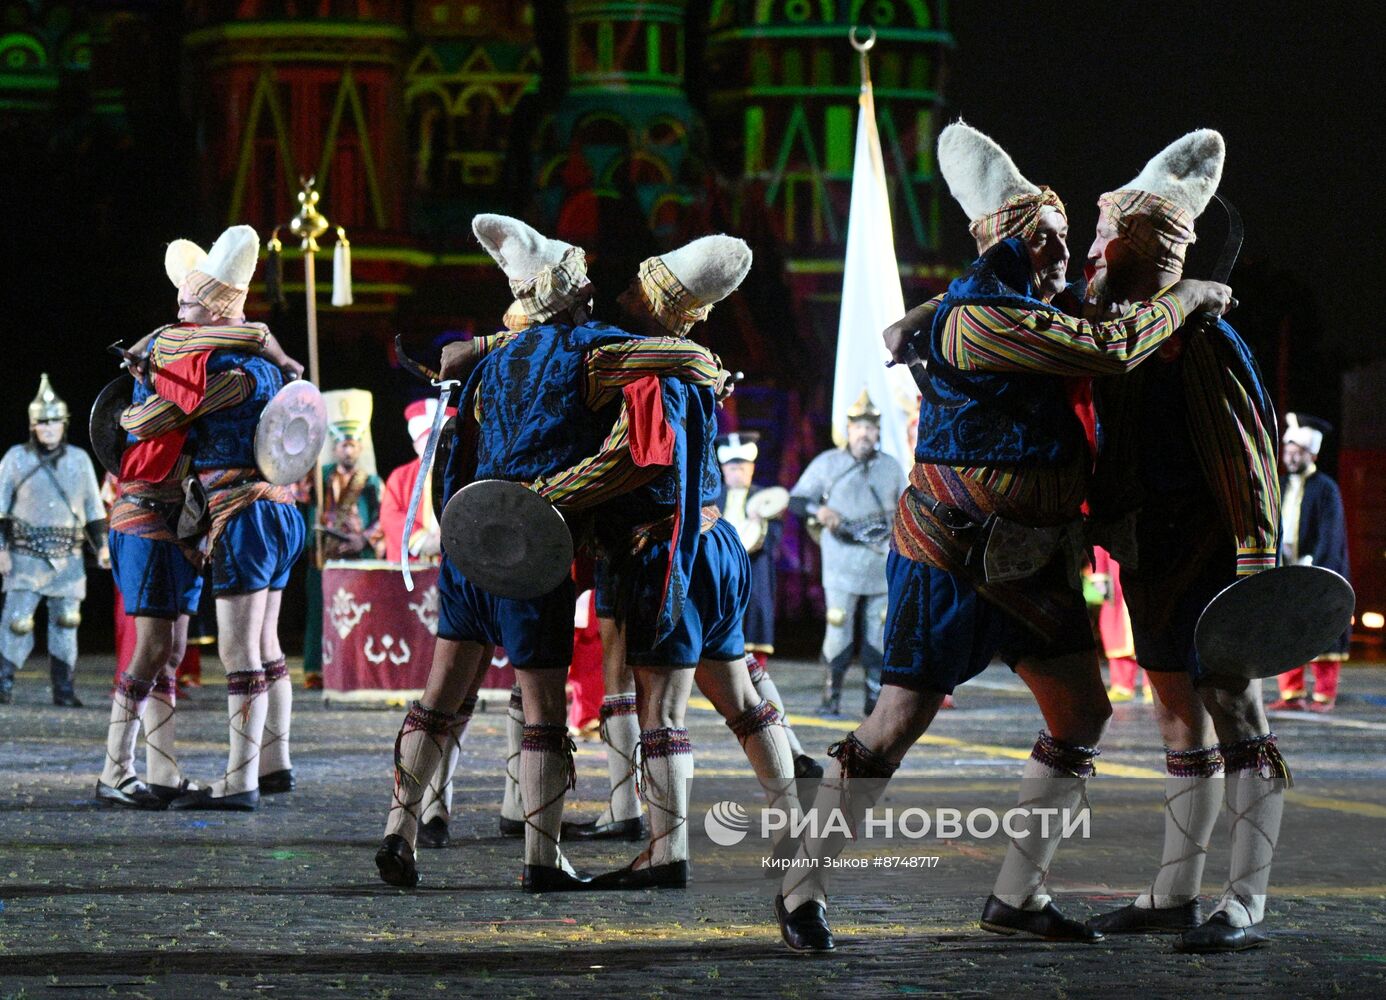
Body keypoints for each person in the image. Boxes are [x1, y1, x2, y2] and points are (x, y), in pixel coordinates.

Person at [776, 122, 1235, 953]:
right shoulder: (986, 315)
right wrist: (1189, 294)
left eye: (1068, 240)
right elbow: (1109, 346)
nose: (1067, 259)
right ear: (1010, 245)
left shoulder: (1013, 299)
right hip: (951, 556)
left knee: (1083, 711)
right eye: (1051, 243)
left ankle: (1018, 896)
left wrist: (916, 312)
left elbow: (1075, 314)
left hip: (1031, 560)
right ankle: (801, 887)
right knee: (895, 720)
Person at [375, 215, 731, 891]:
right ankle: (542, 857)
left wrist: (481, 340)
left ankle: (400, 827)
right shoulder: (594, 350)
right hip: (533, 546)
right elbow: (693, 361)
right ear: (572, 292)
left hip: (471, 536)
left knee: (437, 697)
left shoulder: (493, 360)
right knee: (541, 711)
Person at [1079, 131, 1289, 953]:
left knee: (1237, 713)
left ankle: (1246, 900)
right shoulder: (1124, 330)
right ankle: (1174, 893)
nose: (1092, 250)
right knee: (1175, 722)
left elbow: (1249, 461)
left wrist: (1254, 575)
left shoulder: (1203, 338)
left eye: (1106, 236)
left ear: (1140, 247)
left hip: (1210, 558)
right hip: (1151, 555)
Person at [98, 230, 302, 809]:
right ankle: (139, 770)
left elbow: (142, 423)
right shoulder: (240, 359)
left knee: (212, 649)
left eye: (188, 303)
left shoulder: (207, 366)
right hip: (197, 513)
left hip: (225, 513)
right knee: (184, 646)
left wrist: (144, 403)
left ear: (213, 308)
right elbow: (255, 335)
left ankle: (226, 778)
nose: (178, 313)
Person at [788, 392, 906, 718]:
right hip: (841, 560)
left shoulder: (891, 467)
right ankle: (831, 698)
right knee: (838, 626)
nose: (865, 433)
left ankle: (873, 701)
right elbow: (797, 500)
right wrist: (820, 510)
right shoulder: (829, 464)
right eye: (859, 427)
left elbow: (905, 508)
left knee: (878, 631)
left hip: (879, 559)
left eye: (871, 427)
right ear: (849, 430)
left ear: (878, 431)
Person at [716, 432, 820, 782]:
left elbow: (763, 545)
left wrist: (755, 523)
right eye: (732, 466)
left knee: (750, 690)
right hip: (715, 599)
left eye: (743, 466)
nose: (737, 472)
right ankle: (794, 754)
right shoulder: (711, 498)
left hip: (744, 597)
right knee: (747, 694)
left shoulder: (765, 499)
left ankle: (792, 756)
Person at [0, 375, 108, 707]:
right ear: (33, 425)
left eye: (54, 422)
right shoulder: (15, 458)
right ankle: (3, 685)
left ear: (64, 424)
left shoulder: (79, 460)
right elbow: (1, 508)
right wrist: (1, 550)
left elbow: (93, 508)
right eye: (42, 423)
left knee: (67, 622)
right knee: (17, 622)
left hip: (68, 558)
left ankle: (64, 689)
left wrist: (102, 546)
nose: (48, 428)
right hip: (24, 555)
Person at [1269, 413, 1350, 712]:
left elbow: (1331, 533)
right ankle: (1291, 693)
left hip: (1315, 568)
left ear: (1312, 454)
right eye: (1287, 452)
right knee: (1285, 629)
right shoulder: (1279, 484)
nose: (1290, 458)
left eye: (1297, 453)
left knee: (1321, 629)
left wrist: (1313, 563)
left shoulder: (1325, 487)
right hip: (1285, 569)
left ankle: (1323, 695)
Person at [302, 396, 384, 690]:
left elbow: (380, 518)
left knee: (357, 614)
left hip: (358, 552)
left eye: (353, 445)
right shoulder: (321, 477)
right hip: (326, 553)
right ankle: (316, 669)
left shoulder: (371, 481)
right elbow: (307, 503)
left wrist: (362, 538)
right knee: (320, 611)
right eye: (342, 445)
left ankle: (355, 669)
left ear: (360, 447)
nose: (348, 450)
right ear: (334, 448)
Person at [379, 400, 451, 566]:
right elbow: (390, 516)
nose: (433, 448)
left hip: (451, 565)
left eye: (439, 440)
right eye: (427, 442)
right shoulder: (400, 477)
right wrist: (423, 541)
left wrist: (448, 539)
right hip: (412, 566)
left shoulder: (460, 474)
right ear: (415, 445)